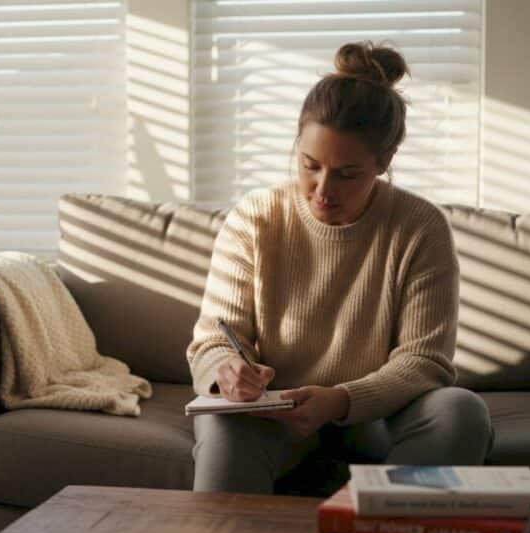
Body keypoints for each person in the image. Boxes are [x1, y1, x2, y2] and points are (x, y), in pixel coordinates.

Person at [186, 41, 493, 494]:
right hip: (271, 417)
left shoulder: (421, 226)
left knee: (461, 411)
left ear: (383, 164)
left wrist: (342, 400)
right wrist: (227, 370)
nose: (322, 190)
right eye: (310, 166)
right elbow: (214, 338)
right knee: (219, 427)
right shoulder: (255, 217)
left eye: (347, 174)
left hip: (378, 417)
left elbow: (425, 360)